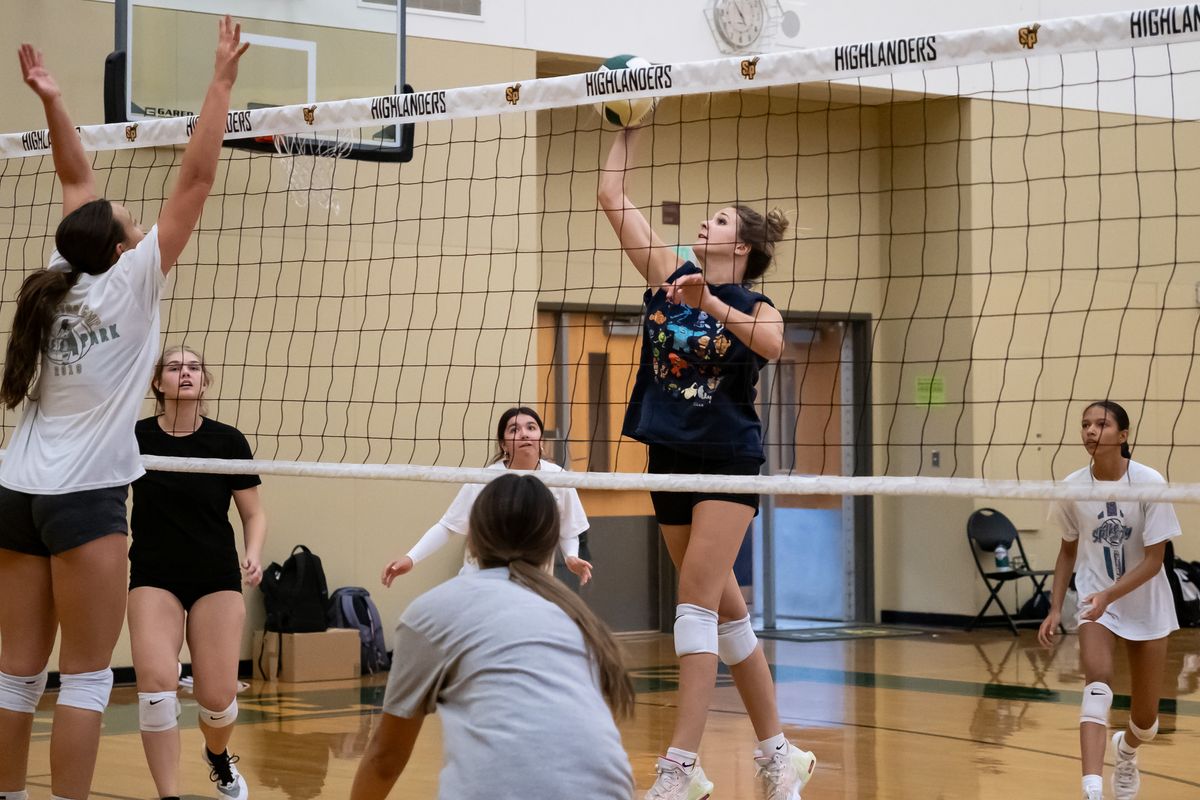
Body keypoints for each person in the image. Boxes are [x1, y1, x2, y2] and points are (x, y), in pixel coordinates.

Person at [0, 20, 247, 800]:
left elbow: (75, 180)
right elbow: (197, 180)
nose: (135, 220)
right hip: (83, 500)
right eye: (127, 223)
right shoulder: (131, 281)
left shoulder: (57, 278)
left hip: (15, 491)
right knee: (81, 680)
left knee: (13, 678)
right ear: (117, 249)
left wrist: (54, 100)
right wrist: (220, 84)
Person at [598, 126, 816, 800]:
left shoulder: (754, 303)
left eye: (717, 219)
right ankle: (781, 755)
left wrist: (712, 304)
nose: (702, 220)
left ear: (740, 246)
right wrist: (625, 124)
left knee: (692, 609)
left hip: (726, 460)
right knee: (728, 620)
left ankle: (679, 769)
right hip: (667, 455)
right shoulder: (668, 277)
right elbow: (611, 194)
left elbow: (775, 347)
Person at [352, 473, 634, 799]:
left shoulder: (432, 613)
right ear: (550, 543)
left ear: (472, 536)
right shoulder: (577, 619)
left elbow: (385, 759)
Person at [128, 346, 267, 800]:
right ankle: (169, 794)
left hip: (215, 575)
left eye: (193, 368)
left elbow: (253, 513)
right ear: (157, 383)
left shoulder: (228, 440)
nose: (184, 373)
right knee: (154, 688)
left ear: (204, 382)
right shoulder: (134, 435)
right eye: (174, 367)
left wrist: (253, 552)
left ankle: (218, 757)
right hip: (153, 574)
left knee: (218, 698)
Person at [1039, 400, 1180, 800]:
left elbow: (1155, 562)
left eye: (1101, 424)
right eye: (1085, 424)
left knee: (1147, 721)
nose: (1090, 431)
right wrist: (1054, 608)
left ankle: (1127, 751)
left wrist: (1108, 595)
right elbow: (1067, 550)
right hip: (1095, 601)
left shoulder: (1150, 481)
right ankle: (1092, 789)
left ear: (1123, 435)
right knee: (1097, 683)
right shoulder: (1072, 487)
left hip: (1145, 600)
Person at [381, 406, 593, 586]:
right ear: (503, 444)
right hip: (481, 581)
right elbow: (447, 526)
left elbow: (568, 530)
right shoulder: (484, 479)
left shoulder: (559, 478)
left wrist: (571, 557)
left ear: (541, 439)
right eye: (514, 429)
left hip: (533, 583)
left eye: (531, 427)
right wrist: (411, 558)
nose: (524, 434)